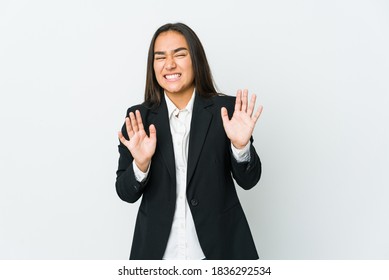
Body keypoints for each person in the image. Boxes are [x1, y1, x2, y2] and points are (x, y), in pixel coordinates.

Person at [115, 22, 263, 260]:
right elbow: (125, 192)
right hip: (158, 256)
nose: (169, 64)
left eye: (180, 54)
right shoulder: (138, 118)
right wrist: (140, 165)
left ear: (196, 59)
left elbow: (249, 180)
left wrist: (240, 147)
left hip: (220, 252)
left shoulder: (226, 111)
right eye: (160, 57)